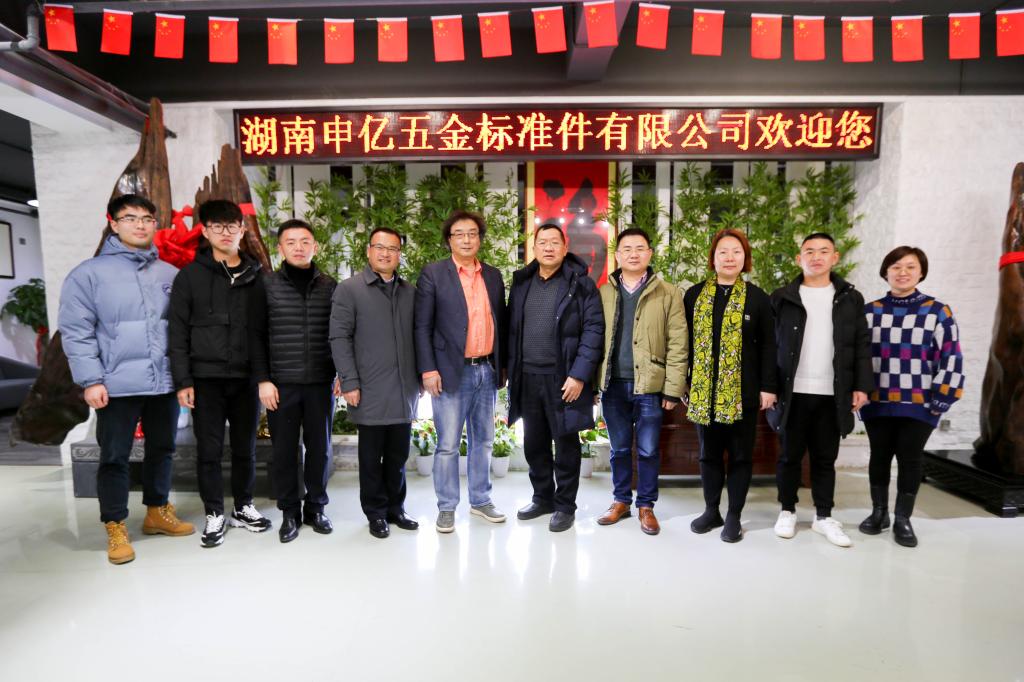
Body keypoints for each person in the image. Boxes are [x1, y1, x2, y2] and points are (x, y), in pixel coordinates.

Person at [59, 194, 194, 565]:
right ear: (113, 224)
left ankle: (157, 512)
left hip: (163, 382)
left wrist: (183, 378)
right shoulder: (88, 275)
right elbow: (76, 331)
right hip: (115, 385)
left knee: (163, 449)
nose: (140, 225)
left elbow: (180, 332)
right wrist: (91, 380)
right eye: (130, 218)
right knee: (115, 456)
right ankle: (115, 524)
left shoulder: (169, 274)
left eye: (147, 218)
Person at [168, 199, 270, 548]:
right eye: (217, 226)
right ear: (205, 230)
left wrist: (263, 377)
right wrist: (183, 380)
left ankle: (243, 507)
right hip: (205, 380)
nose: (225, 233)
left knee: (245, 448)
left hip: (245, 379)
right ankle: (214, 512)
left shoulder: (257, 276)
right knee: (208, 451)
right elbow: (177, 332)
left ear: (242, 230)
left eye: (232, 226)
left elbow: (264, 332)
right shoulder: (189, 277)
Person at [770, 232, 873, 548]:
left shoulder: (850, 298)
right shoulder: (782, 297)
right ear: (798, 258)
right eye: (809, 251)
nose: (816, 257)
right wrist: (769, 387)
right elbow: (770, 346)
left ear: (835, 257)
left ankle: (823, 516)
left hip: (832, 391)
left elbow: (861, 345)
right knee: (789, 456)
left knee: (825, 458)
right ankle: (787, 510)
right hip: (793, 391)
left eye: (823, 251)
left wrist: (861, 385)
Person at [859, 246, 964, 547]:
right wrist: (858, 391)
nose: (902, 272)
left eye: (910, 267)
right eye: (895, 267)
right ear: (886, 272)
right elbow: (859, 358)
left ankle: (903, 518)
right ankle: (879, 513)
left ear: (921, 272)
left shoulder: (937, 311)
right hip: (877, 400)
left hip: (921, 402)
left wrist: (943, 397)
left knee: (910, 458)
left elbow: (951, 356)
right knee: (879, 456)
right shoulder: (870, 311)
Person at [414, 210, 509, 534]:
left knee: (484, 440)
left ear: (480, 238)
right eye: (459, 234)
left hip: (486, 369)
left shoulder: (493, 275)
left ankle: (480, 500)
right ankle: (446, 506)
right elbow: (422, 326)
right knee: (448, 444)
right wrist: (428, 369)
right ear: (449, 240)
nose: (467, 239)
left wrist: (502, 366)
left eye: (472, 233)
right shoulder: (434, 274)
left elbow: (501, 322)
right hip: (451, 371)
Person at [507, 223, 604, 532]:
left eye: (554, 242)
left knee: (565, 444)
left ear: (565, 247)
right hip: (527, 376)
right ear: (534, 248)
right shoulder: (522, 283)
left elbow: (593, 331)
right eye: (542, 242)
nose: (548, 248)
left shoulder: (581, 284)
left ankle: (565, 506)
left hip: (564, 379)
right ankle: (542, 498)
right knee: (533, 443)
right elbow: (512, 330)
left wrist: (579, 376)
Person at [683, 229, 777, 543]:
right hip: (703, 392)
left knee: (740, 456)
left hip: (743, 394)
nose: (729, 257)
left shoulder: (758, 298)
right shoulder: (694, 295)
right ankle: (712, 510)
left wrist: (768, 386)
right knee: (708, 455)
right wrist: (683, 382)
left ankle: (734, 515)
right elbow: (684, 344)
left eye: (736, 251)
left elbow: (769, 346)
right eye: (722, 251)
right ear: (713, 257)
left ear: (744, 258)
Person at [250, 219, 339, 543]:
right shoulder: (266, 285)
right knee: (285, 451)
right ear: (280, 249)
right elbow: (255, 335)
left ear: (315, 246)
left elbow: (338, 335)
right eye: (291, 242)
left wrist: (341, 374)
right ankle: (290, 512)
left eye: (305, 241)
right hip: (281, 384)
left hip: (320, 382)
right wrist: (263, 380)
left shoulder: (329, 286)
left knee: (320, 449)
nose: (298, 247)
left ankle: (316, 507)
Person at [596, 227, 687, 536]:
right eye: (627, 249)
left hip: (650, 386)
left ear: (649, 253)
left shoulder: (668, 293)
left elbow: (678, 343)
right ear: (618, 255)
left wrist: (673, 390)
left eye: (639, 248)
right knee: (619, 449)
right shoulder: (604, 292)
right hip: (613, 385)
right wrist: (593, 383)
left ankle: (646, 506)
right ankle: (621, 501)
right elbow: (594, 338)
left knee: (648, 450)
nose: (633, 254)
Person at [331, 227, 420, 539]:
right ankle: (376, 513)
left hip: (404, 388)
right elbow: (339, 338)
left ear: (399, 254)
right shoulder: (349, 290)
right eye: (380, 247)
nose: (386, 253)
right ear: (368, 251)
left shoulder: (410, 292)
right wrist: (349, 381)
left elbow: (419, 337)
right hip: (368, 388)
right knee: (370, 458)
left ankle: (396, 508)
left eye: (392, 248)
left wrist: (421, 377)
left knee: (398, 456)